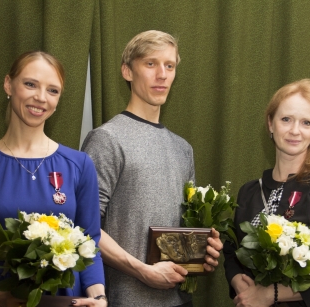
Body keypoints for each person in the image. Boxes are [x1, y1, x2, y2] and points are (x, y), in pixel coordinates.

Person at [0, 51, 107, 307]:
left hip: (64, 301)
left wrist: (99, 297)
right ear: (8, 84)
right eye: (30, 84)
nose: (40, 97)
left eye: (53, 90)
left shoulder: (79, 165)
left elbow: (91, 245)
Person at [81, 30, 223, 307]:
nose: (162, 74)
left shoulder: (183, 148)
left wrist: (203, 250)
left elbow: (184, 230)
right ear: (127, 71)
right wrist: (141, 271)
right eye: (150, 64)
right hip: (126, 300)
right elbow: (85, 228)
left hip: (179, 300)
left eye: (169, 66)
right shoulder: (107, 139)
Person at [223, 79, 310, 307]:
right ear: (270, 123)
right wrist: (238, 281)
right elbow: (232, 250)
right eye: (286, 119)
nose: (294, 130)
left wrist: (271, 294)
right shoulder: (249, 192)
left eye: (306, 122)